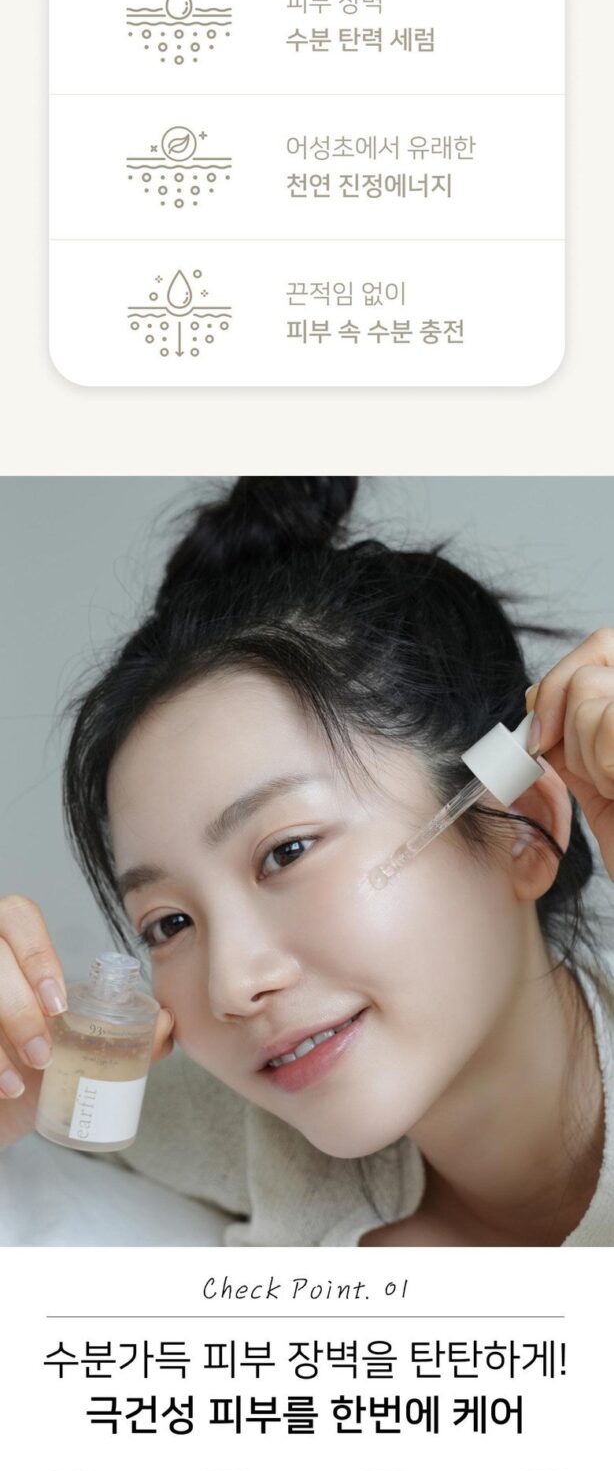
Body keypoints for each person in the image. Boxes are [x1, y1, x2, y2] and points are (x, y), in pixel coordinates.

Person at [1, 476, 614, 1246]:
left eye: (286, 852)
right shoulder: (230, 1127)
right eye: (168, 924)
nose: (231, 986)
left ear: (519, 827)